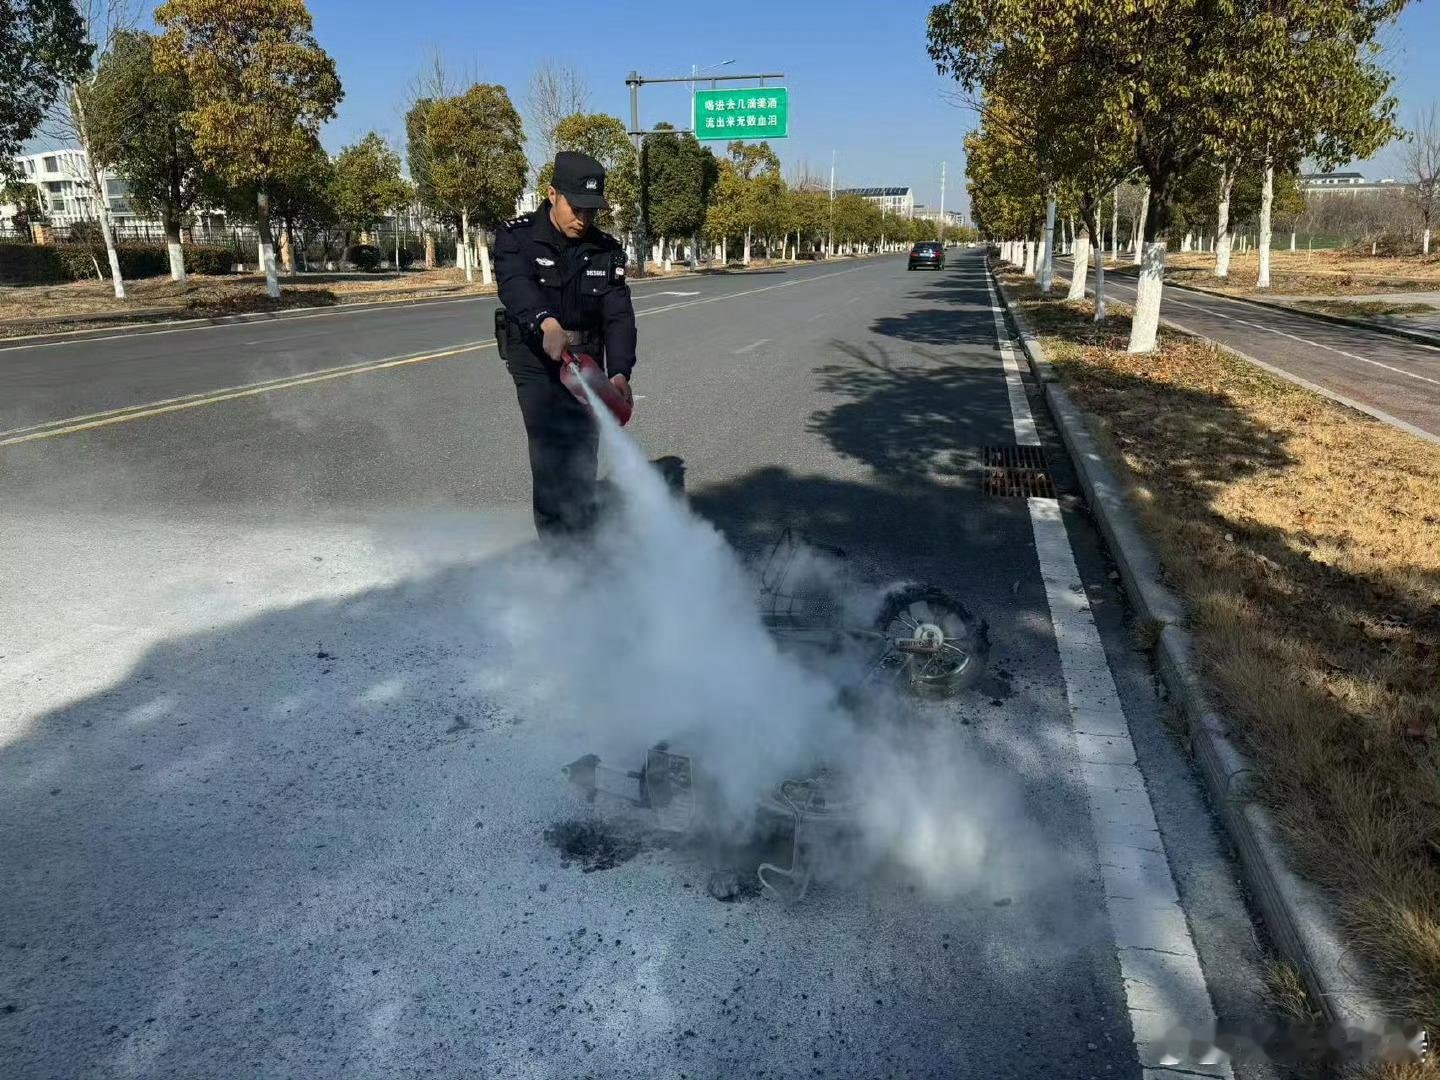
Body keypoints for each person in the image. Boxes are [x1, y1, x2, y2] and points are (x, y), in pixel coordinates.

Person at [493, 151, 637, 537]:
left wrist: (620, 371)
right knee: (549, 448)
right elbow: (514, 285)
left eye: (592, 211)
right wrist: (545, 321)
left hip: (586, 359)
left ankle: (581, 536)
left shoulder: (606, 250)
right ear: (553, 193)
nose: (583, 219)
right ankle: (556, 551)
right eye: (576, 208)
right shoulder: (517, 236)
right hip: (535, 359)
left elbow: (619, 315)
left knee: (583, 447)